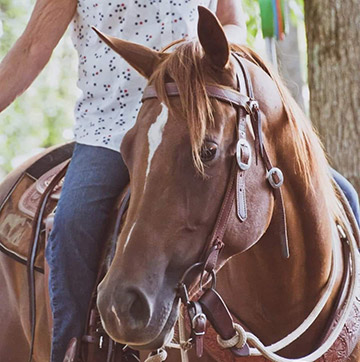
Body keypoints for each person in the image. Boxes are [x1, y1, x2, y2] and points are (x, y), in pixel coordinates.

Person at [0, 1, 247, 361]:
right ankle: (73, 350)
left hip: (201, 123)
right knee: (73, 223)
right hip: (112, 131)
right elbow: (32, 48)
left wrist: (203, 54)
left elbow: (232, 25)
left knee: (335, 193)